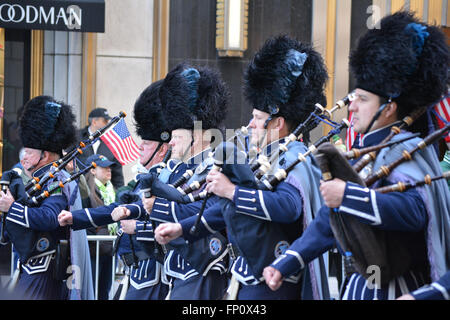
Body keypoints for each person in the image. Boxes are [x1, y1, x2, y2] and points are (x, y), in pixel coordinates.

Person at [263, 11, 450, 300]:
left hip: (400, 291)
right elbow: (330, 220)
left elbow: (413, 211)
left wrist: (348, 195)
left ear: (388, 108)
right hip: (359, 288)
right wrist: (287, 261)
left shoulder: (408, 151)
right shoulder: (371, 153)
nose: (352, 107)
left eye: (362, 99)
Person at [153, 35, 330, 300]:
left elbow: (289, 206)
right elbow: (227, 211)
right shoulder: (264, 157)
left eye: (258, 118)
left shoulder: (296, 155)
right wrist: (184, 228)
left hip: (275, 281)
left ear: (278, 123)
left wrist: (232, 191)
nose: (250, 123)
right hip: (248, 275)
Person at [58, 80, 173, 300]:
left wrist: (136, 226)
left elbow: (167, 224)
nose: (140, 147)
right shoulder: (147, 179)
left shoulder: (162, 180)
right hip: (137, 271)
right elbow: (114, 208)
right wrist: (75, 217)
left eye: (147, 143)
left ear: (162, 149)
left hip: (154, 271)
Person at [138, 63, 231, 300]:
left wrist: (157, 206)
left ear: (197, 135)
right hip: (178, 266)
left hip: (202, 264)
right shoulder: (182, 169)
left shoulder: (216, 166)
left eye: (177, 136)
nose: (171, 142)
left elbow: (206, 209)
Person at [0, 95, 93, 300]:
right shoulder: (37, 179)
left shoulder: (56, 180)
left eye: (29, 152)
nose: (23, 157)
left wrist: (11, 207)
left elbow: (50, 217)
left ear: (46, 155)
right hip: (30, 266)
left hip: (45, 268)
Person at [83, 154, 117, 300]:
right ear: (92, 170)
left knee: (104, 290)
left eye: (109, 167)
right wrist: (92, 245)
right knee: (93, 290)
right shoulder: (85, 191)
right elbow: (83, 220)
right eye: (104, 167)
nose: (109, 170)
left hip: (109, 249)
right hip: (93, 250)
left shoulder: (111, 190)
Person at [78, 107, 124, 190]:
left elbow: (117, 175)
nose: (108, 124)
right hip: (80, 190)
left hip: (104, 193)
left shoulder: (112, 142)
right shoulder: (77, 137)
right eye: (105, 121)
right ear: (94, 122)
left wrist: (119, 195)